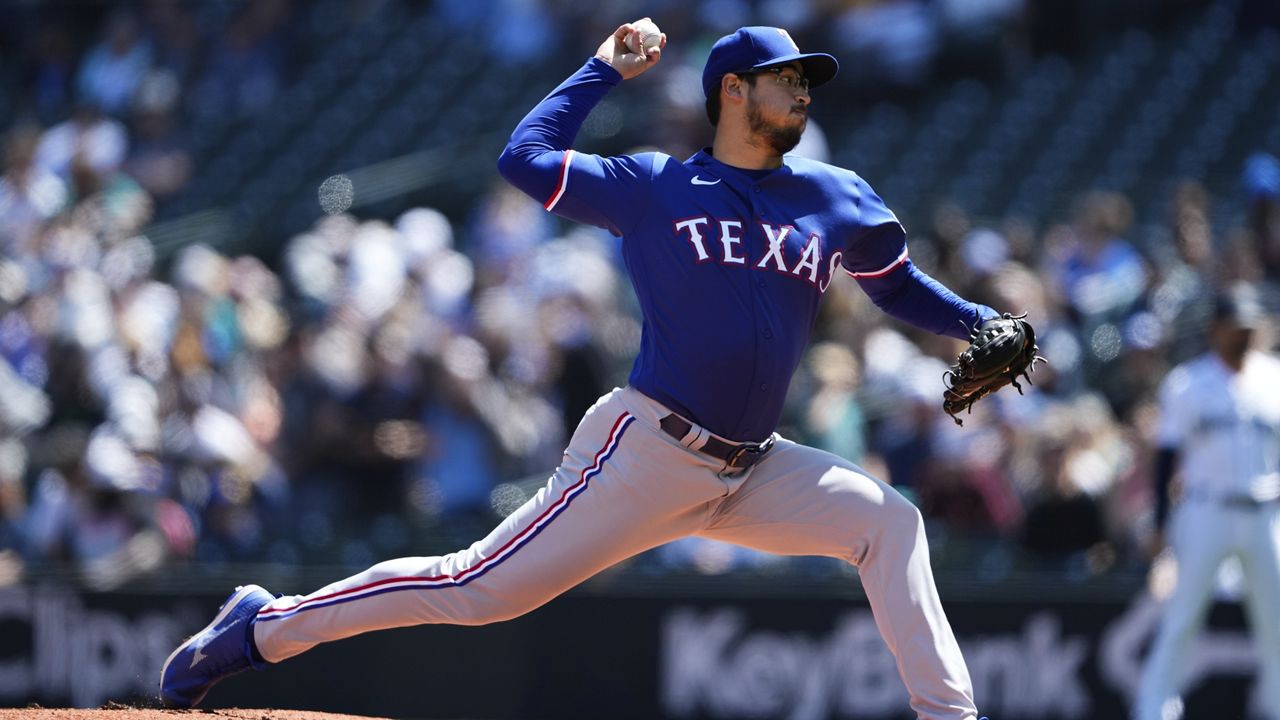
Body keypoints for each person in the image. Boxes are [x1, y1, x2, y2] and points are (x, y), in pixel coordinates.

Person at [160, 20, 1000, 720]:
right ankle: (264, 627)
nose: (803, 90)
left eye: (806, 79)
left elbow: (894, 286)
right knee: (479, 588)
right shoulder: (653, 184)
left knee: (890, 524)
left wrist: (977, 322)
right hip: (648, 452)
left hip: (757, 465)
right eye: (784, 77)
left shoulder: (834, 195)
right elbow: (523, 157)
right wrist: (601, 70)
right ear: (732, 91)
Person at [1134, 282, 1280, 720]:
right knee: (1181, 620)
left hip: (1266, 511)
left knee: (1277, 626)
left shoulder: (1274, 378)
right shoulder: (1187, 383)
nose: (1246, 334)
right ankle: (1154, 712)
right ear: (1215, 329)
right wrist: (1160, 523)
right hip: (1206, 509)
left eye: (1251, 326)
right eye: (1237, 326)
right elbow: (1165, 458)